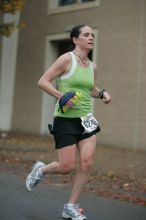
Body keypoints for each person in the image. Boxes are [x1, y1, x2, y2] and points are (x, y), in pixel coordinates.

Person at [26, 24, 111, 220]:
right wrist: (61, 96)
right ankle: (41, 169)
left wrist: (102, 93)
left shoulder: (92, 66)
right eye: (86, 35)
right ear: (75, 39)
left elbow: (89, 88)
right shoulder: (66, 59)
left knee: (87, 163)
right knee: (66, 167)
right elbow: (43, 81)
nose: (91, 37)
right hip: (65, 120)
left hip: (86, 120)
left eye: (92, 35)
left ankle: (70, 206)